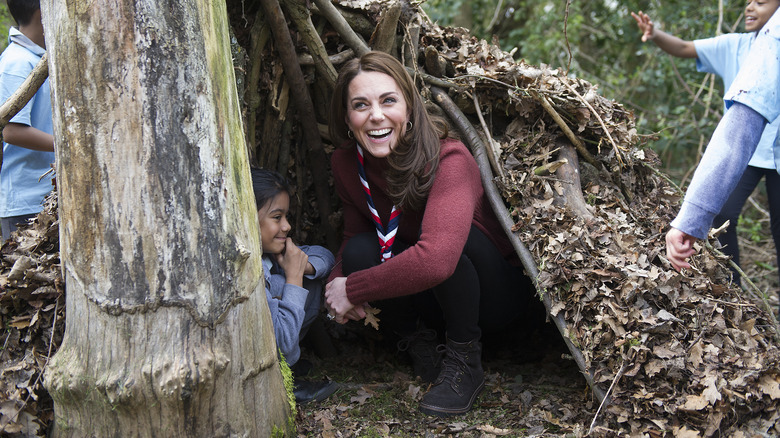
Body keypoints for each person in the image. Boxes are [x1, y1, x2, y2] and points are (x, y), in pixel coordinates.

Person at [324, 51, 536, 417]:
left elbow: (437, 261)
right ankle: (419, 341)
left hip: (493, 298)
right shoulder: (346, 164)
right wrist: (337, 281)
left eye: (388, 100)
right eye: (361, 105)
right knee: (361, 250)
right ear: (347, 118)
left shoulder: (448, 160)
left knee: (452, 243)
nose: (376, 115)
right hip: (433, 300)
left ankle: (464, 359)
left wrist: (354, 290)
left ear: (409, 108)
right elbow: (354, 233)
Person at [633, 1, 780, 286]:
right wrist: (655, 34)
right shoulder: (735, 45)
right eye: (748, 1)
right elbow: (686, 48)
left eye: (761, 2)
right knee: (722, 214)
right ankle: (731, 286)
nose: (751, 7)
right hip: (746, 154)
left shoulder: (774, 38)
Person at [251, 167, 338, 405]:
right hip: (273, 352)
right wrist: (293, 279)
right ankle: (281, 374)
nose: (287, 226)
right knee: (286, 284)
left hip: (281, 346)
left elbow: (325, 256)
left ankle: (286, 367)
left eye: (286, 217)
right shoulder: (250, 272)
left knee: (304, 279)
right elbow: (282, 345)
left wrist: (303, 268)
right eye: (277, 217)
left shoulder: (270, 256)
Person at [0, 0, 55, 240]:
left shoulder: (39, 58)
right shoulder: (18, 62)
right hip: (25, 201)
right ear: (42, 13)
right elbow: (11, 131)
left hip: (45, 196)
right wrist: (73, 147)